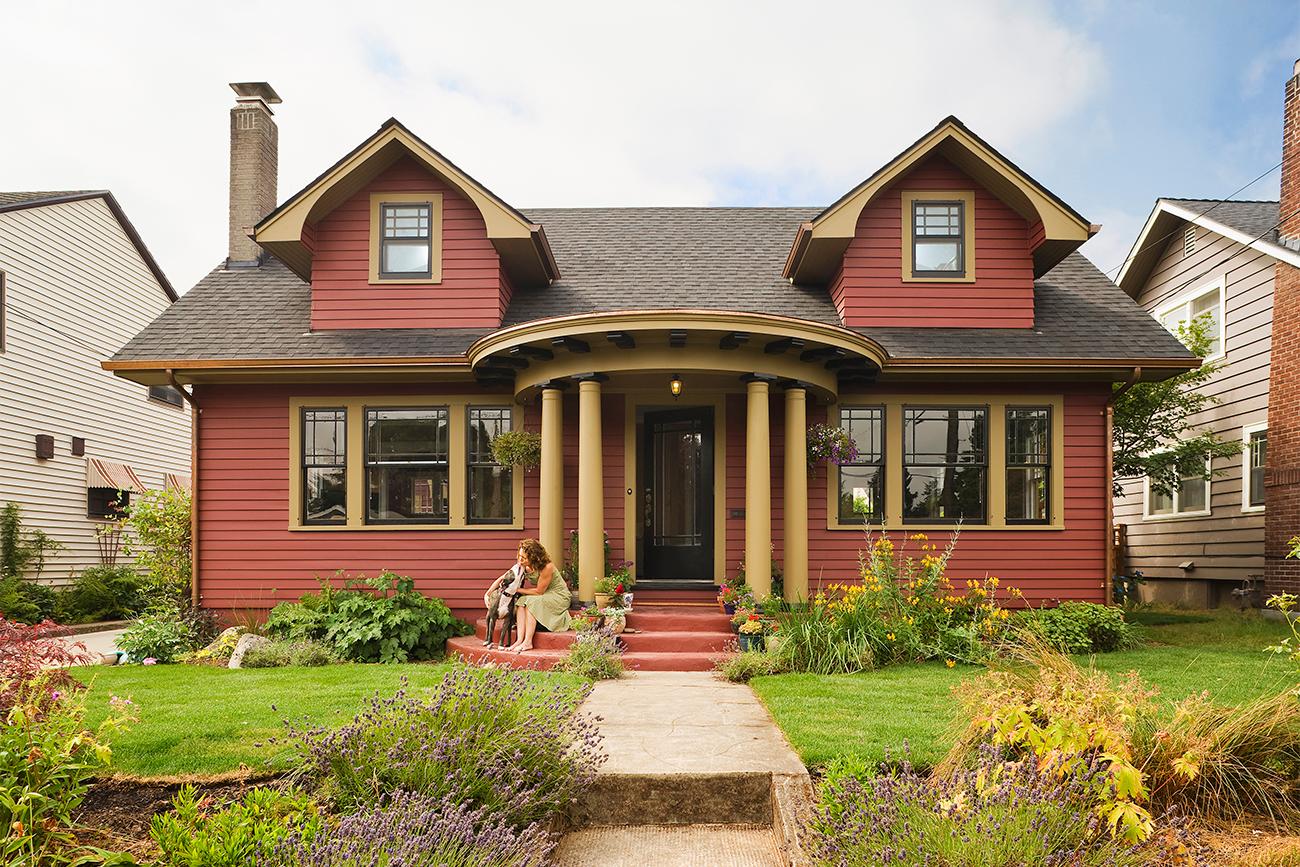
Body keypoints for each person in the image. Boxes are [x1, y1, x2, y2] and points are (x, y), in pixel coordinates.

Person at [507, 538, 571, 653]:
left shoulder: (547, 567)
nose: (520, 560)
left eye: (524, 558)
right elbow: (506, 576)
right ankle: (519, 640)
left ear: (534, 558)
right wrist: (490, 591)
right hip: (544, 594)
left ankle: (528, 642)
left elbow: (539, 592)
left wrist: (517, 589)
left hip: (559, 596)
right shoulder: (524, 565)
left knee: (532, 601)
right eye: (519, 556)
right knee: (521, 602)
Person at [482, 561, 526, 648]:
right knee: (490, 617)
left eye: (523, 557)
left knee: (509, 619)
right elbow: (502, 578)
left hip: (512, 596)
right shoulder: (516, 569)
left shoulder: (522, 572)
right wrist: (488, 593)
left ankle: (502, 642)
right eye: (519, 557)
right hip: (502, 596)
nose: (520, 562)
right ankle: (488, 639)